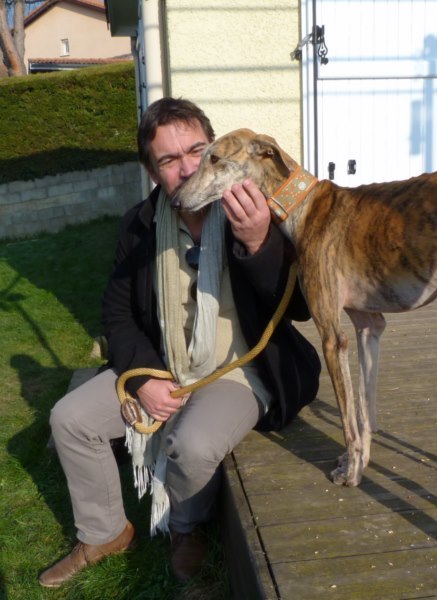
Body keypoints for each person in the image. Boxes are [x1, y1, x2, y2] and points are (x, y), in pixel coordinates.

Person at [39, 97, 320, 587]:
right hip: (164, 363)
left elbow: (299, 307)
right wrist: (143, 377)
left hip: (239, 369)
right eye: (169, 160)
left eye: (197, 151)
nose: (188, 168)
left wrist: (259, 243)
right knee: (69, 419)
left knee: (190, 444)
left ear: (214, 149)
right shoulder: (139, 224)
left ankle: (186, 529)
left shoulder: (259, 210)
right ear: (153, 172)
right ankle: (105, 532)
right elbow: (117, 313)